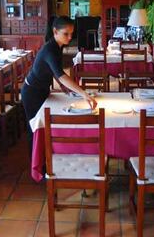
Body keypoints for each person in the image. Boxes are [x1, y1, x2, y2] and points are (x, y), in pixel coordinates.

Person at [21, 16, 97, 156]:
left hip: (42, 90)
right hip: (31, 93)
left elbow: (55, 72)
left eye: (71, 34)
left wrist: (65, 90)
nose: (69, 38)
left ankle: (46, 156)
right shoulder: (49, 49)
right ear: (55, 31)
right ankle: (37, 164)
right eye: (66, 34)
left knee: (42, 126)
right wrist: (83, 94)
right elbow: (61, 75)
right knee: (35, 128)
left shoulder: (58, 46)